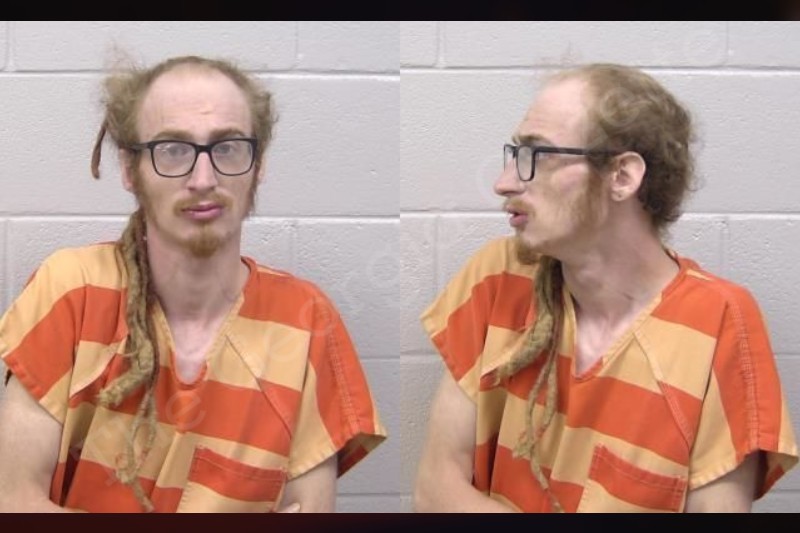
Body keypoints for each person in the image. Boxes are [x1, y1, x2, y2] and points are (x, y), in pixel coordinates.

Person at [0, 55, 386, 513]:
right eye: (173, 150)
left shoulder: (305, 323)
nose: (204, 179)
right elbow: (13, 502)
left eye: (228, 148)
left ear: (258, 164)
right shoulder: (71, 291)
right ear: (130, 168)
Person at [414, 63, 798, 513]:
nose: (504, 183)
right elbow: (435, 491)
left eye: (537, 155)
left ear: (622, 176)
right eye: (516, 154)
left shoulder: (719, 323)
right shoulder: (499, 277)